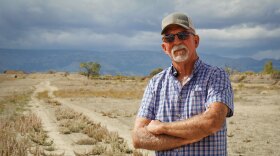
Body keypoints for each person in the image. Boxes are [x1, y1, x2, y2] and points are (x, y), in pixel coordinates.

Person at [131, 12, 234, 156]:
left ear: (196, 41)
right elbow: (138, 137)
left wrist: (162, 128)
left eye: (183, 35)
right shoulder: (156, 83)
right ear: (164, 48)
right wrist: (191, 137)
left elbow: (213, 121)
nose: (177, 41)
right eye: (169, 37)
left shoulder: (216, 76)